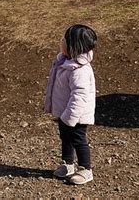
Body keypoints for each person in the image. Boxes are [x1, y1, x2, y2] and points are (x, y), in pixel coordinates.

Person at [44, 24, 97, 185]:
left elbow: (79, 96)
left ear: (74, 47)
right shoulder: (65, 62)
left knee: (78, 140)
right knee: (65, 138)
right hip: (64, 112)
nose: (61, 41)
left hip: (77, 116)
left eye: (65, 40)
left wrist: (70, 116)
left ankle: (86, 169)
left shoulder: (79, 70)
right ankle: (68, 164)